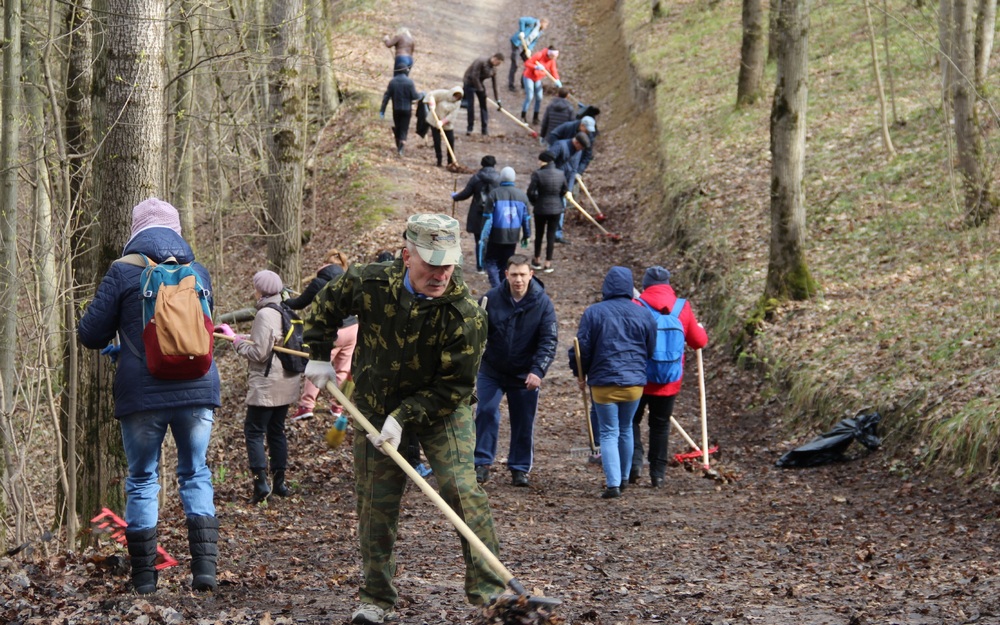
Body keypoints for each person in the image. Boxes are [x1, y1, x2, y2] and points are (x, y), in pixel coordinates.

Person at [302, 214, 505, 625]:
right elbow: (325, 304)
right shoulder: (370, 282)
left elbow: (454, 388)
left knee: (460, 488)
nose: (440, 273)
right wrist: (320, 354)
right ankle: (375, 596)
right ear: (406, 254)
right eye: (431, 262)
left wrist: (404, 417)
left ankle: (490, 592)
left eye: (447, 263)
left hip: (441, 411)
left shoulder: (466, 315)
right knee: (375, 502)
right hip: (374, 403)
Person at [78, 198, 221, 594]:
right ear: (175, 229)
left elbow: (90, 334)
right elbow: (197, 335)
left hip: (142, 394)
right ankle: (204, 572)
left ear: (136, 231)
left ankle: (144, 579)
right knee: (196, 472)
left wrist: (121, 344)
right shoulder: (199, 272)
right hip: (197, 388)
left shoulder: (123, 271)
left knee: (142, 479)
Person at [569, 266, 655, 499]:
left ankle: (613, 483)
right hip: (634, 383)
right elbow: (650, 349)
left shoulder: (594, 313)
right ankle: (625, 477)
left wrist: (580, 372)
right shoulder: (644, 313)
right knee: (626, 428)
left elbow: (582, 348)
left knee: (608, 432)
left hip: (603, 383)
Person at [215, 271, 301, 504]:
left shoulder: (264, 314)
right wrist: (236, 335)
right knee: (276, 430)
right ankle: (280, 483)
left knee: (254, 431)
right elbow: (267, 340)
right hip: (286, 381)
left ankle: (260, 484)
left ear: (261, 290)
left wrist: (236, 344)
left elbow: (259, 352)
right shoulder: (283, 308)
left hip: (268, 384)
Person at [474, 255, 558, 488]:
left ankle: (519, 468)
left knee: (523, 420)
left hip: (525, 373)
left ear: (531, 274)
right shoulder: (490, 299)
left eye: (522, 274)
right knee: (486, 411)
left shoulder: (543, 304)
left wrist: (538, 370)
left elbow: (549, 340)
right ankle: (481, 462)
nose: (518, 280)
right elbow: (476, 333)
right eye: (514, 275)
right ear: (506, 275)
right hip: (492, 369)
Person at [629, 266, 708, 487]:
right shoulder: (683, 307)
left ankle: (635, 464)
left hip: (639, 378)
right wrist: (699, 328)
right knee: (660, 424)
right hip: (669, 379)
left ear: (644, 286)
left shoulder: (636, 306)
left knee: (632, 421)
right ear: (668, 284)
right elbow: (699, 342)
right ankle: (658, 474)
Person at [284, 249, 358, 421]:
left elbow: (298, 304)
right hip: (353, 328)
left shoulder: (319, 282)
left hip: (334, 331)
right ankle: (337, 407)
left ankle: (306, 406)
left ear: (325, 264)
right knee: (342, 369)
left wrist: (284, 298)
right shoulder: (350, 280)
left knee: (317, 365)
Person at [479, 167, 531, 288]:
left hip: (495, 235)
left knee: (491, 261)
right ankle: (503, 287)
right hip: (513, 236)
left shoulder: (494, 194)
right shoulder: (522, 196)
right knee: (505, 262)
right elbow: (526, 219)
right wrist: (527, 235)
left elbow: (487, 218)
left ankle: (497, 287)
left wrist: (483, 236)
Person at [451, 155, 501, 272]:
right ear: (494, 164)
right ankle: (491, 263)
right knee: (492, 239)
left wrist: (455, 197)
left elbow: (466, 193)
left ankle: (480, 266)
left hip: (477, 213)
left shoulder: (476, 178)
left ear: (482, 164)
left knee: (479, 240)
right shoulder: (499, 179)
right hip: (494, 212)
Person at [526, 151, 567, 273]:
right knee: (551, 235)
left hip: (541, 208)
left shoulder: (538, 174)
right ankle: (548, 262)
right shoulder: (561, 174)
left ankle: (537, 259)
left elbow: (530, 192)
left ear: (543, 161)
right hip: (556, 209)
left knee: (539, 234)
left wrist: (535, 202)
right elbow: (564, 190)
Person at [549, 131, 590, 243]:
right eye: (580, 147)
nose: (580, 150)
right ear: (576, 142)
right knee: (552, 208)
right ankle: (549, 233)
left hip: (565, 185)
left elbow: (573, 171)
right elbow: (547, 161)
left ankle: (557, 235)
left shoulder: (578, 151)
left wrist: (569, 190)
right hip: (552, 182)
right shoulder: (560, 146)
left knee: (562, 208)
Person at [380, 66, 422, 156]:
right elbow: (415, 96)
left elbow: (386, 97)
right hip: (407, 109)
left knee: (398, 126)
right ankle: (401, 145)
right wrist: (421, 95)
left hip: (396, 109)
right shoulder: (409, 82)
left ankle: (398, 142)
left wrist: (382, 110)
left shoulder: (393, 82)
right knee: (404, 128)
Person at [462, 53, 505, 135]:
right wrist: (480, 90)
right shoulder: (481, 61)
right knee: (470, 105)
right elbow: (474, 76)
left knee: (483, 106)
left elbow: (495, 85)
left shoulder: (494, 69)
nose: (498, 65)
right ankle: (470, 128)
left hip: (479, 83)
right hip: (469, 82)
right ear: (495, 59)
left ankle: (484, 129)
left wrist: (498, 100)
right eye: (498, 63)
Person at [423, 86, 464, 167]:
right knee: (437, 141)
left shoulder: (457, 103)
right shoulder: (443, 94)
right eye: (455, 96)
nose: (456, 98)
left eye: (458, 97)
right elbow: (431, 95)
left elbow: (452, 115)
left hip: (447, 123)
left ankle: (450, 161)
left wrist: (443, 122)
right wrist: (432, 102)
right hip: (435, 119)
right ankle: (439, 159)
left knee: (450, 140)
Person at [521, 46, 560, 126]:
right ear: (550, 54)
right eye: (554, 56)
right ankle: (523, 116)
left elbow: (553, 70)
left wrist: (557, 79)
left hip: (538, 78)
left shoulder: (552, 60)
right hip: (529, 77)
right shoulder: (539, 55)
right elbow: (527, 63)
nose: (554, 58)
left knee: (539, 97)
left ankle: (535, 117)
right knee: (530, 96)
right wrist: (535, 67)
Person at [508, 17, 549, 91]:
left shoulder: (540, 32)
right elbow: (521, 20)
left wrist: (529, 49)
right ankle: (511, 84)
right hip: (518, 44)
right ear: (542, 22)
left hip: (525, 47)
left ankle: (524, 83)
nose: (545, 27)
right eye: (545, 25)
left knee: (528, 64)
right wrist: (522, 31)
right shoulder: (533, 22)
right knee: (515, 65)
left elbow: (534, 41)